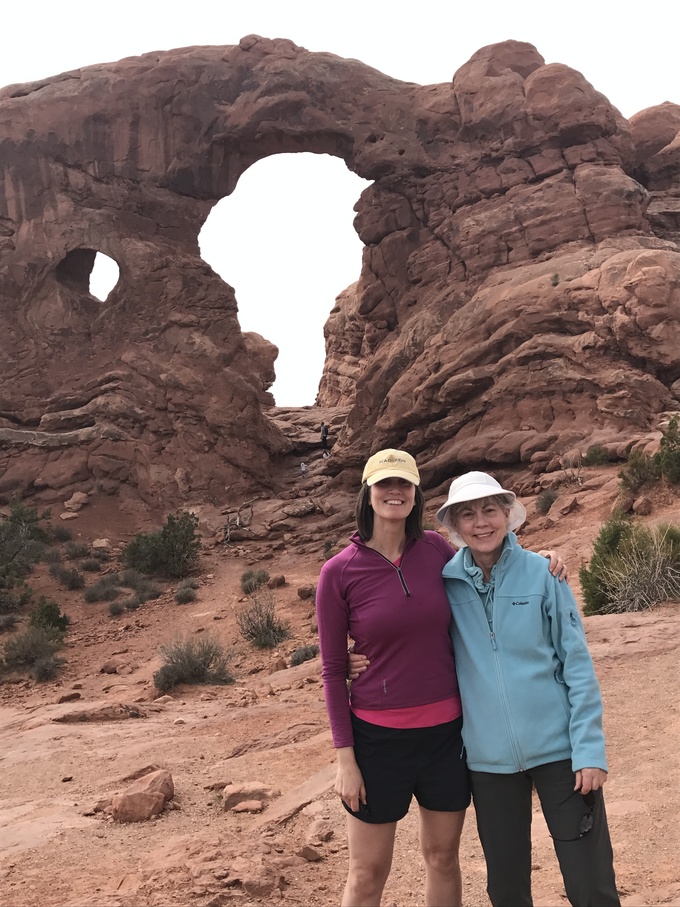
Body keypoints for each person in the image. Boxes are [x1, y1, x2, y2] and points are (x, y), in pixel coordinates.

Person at [318, 450, 566, 907]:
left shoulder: (435, 549)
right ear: (368, 493)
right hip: (377, 742)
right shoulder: (339, 573)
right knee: (367, 872)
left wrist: (539, 559)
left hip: (445, 739)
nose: (395, 492)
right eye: (384, 484)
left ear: (415, 495)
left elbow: (487, 563)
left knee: (442, 857)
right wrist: (345, 760)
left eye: (404, 484)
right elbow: (333, 670)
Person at [436, 471, 620, 907]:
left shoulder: (543, 574)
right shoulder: (442, 584)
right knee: (506, 886)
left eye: (489, 510)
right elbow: (408, 631)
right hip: (489, 763)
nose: (481, 523)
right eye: (468, 514)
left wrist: (590, 749)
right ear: (456, 526)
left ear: (507, 515)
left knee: (589, 881)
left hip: (562, 754)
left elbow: (576, 664)